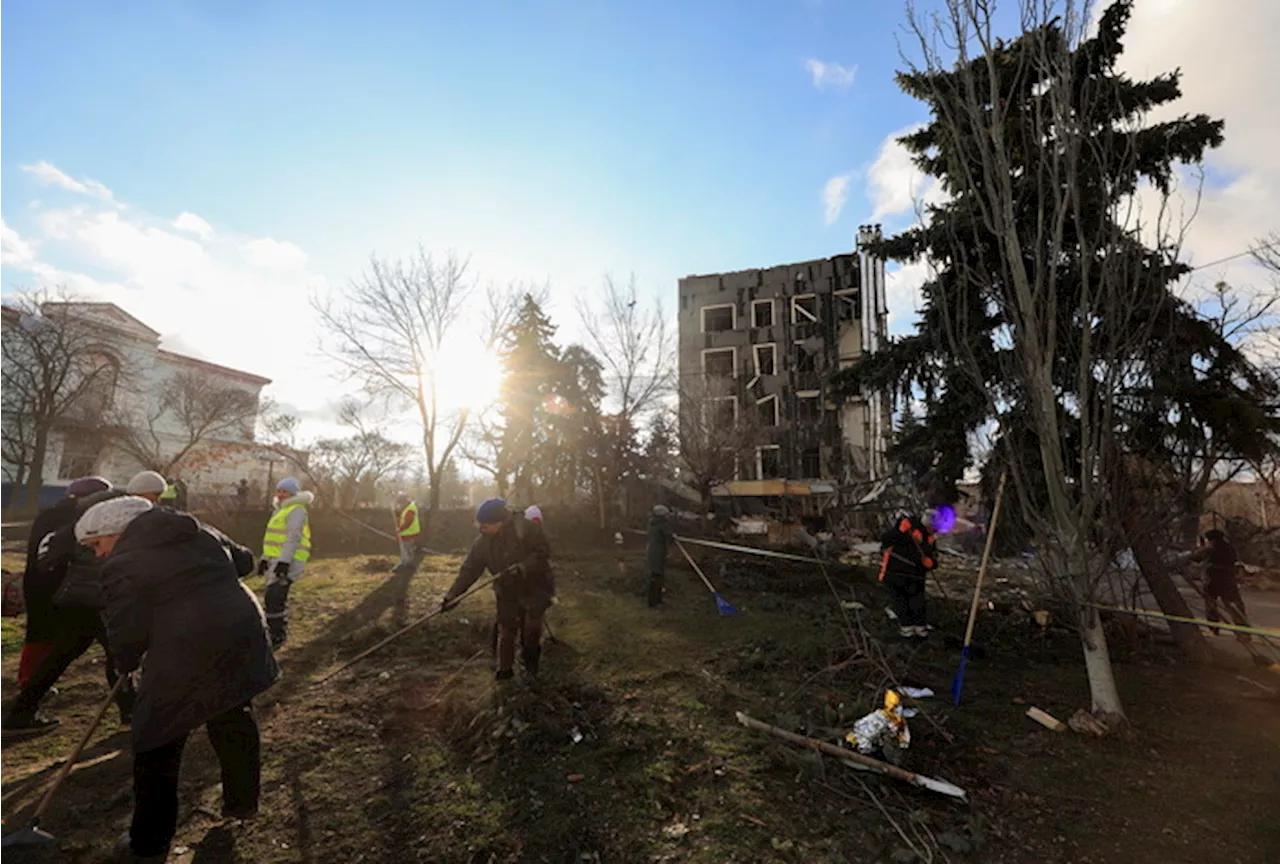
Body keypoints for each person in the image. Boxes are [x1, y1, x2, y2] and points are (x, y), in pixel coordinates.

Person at [75, 495, 279, 863]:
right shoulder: (197, 530)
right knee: (231, 712)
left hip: (189, 646)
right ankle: (242, 804)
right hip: (243, 629)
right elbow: (245, 561)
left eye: (97, 544)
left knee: (156, 740)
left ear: (116, 533)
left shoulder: (123, 562)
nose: (97, 555)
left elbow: (128, 627)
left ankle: (148, 843)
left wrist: (125, 662)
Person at [1, 483, 137, 737]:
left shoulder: (79, 515)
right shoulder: (109, 519)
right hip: (96, 598)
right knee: (118, 653)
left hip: (76, 598)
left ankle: (21, 713)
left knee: (63, 654)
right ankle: (131, 712)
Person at [15, 476, 109, 691]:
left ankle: (29, 679)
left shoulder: (50, 513)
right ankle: (31, 683)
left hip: (37, 579)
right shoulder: (75, 518)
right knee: (50, 634)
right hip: (57, 581)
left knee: (40, 631)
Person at [441, 499, 552, 680]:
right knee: (507, 630)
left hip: (535, 585)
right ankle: (504, 672)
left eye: (485, 525)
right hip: (507, 589)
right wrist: (453, 595)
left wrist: (523, 567)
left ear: (500, 522)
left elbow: (543, 553)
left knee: (531, 628)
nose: (481, 528)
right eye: (479, 524)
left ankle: (531, 666)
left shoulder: (527, 530)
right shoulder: (483, 543)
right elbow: (470, 570)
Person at [256, 477, 313, 648]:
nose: (280, 494)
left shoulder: (296, 510)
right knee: (271, 596)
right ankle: (272, 631)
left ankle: (277, 634)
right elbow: (272, 539)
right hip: (276, 559)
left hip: (290, 560)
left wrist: (284, 562)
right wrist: (265, 559)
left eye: (284, 491)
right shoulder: (279, 510)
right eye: (279, 491)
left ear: (292, 493)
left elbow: (293, 537)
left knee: (275, 596)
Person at [879, 513, 938, 639]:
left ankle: (920, 628)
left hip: (916, 577)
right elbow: (885, 541)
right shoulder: (907, 528)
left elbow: (933, 556)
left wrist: (931, 563)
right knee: (901, 602)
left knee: (918, 602)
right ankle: (906, 628)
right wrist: (900, 531)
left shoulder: (930, 538)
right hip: (896, 573)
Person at [1191, 529, 1251, 637]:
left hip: (1211, 580)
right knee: (1234, 607)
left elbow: (1195, 557)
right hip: (1228, 580)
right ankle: (1243, 631)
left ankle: (1214, 629)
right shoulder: (1229, 548)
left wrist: (1200, 547)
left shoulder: (1208, 549)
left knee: (1211, 606)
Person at [646, 505, 674, 608]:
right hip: (658, 553)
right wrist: (673, 537)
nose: (668, 517)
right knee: (658, 578)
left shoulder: (652, 523)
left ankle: (655, 600)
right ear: (662, 515)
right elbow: (669, 536)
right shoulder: (661, 524)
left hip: (653, 552)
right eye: (666, 515)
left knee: (655, 577)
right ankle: (655, 602)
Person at [394, 492, 424, 574]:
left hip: (408, 532)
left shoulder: (410, 509)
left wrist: (400, 529)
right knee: (409, 549)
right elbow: (400, 516)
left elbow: (408, 522)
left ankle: (404, 564)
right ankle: (409, 564)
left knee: (405, 549)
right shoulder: (407, 507)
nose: (400, 504)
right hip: (408, 532)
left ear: (404, 501)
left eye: (400, 502)